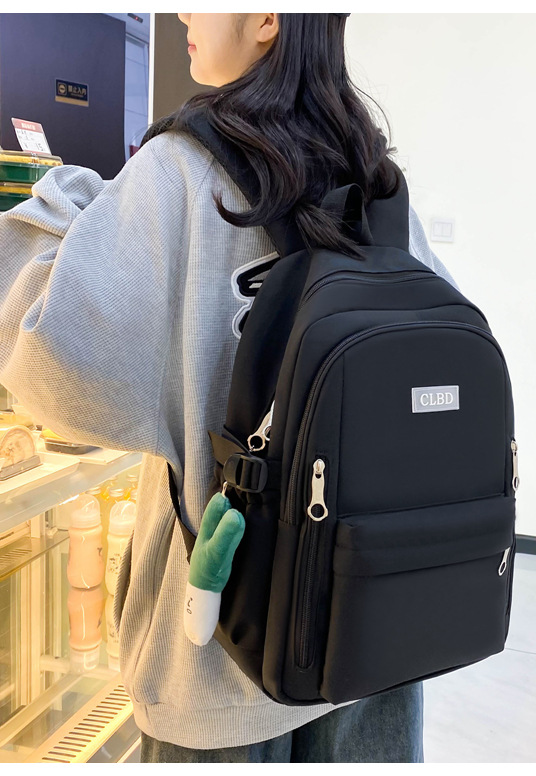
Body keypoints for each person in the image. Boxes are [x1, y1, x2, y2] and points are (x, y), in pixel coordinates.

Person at [0, 13, 458, 763]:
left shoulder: (181, 167)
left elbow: (54, 362)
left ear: (269, 16)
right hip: (368, 623)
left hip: (222, 650)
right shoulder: (374, 174)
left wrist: (59, 201)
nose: (183, 11)